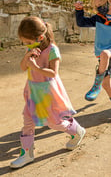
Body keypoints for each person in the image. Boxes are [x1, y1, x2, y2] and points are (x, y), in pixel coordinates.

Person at [10, 16, 86, 169]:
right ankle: (27, 155)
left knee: (54, 122)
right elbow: (23, 68)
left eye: (29, 42)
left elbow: (53, 73)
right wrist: (26, 57)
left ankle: (76, 130)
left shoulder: (53, 50)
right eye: (25, 43)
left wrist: (36, 67)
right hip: (33, 92)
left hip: (48, 93)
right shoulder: (31, 48)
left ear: (40, 37)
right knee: (28, 121)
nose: (27, 45)